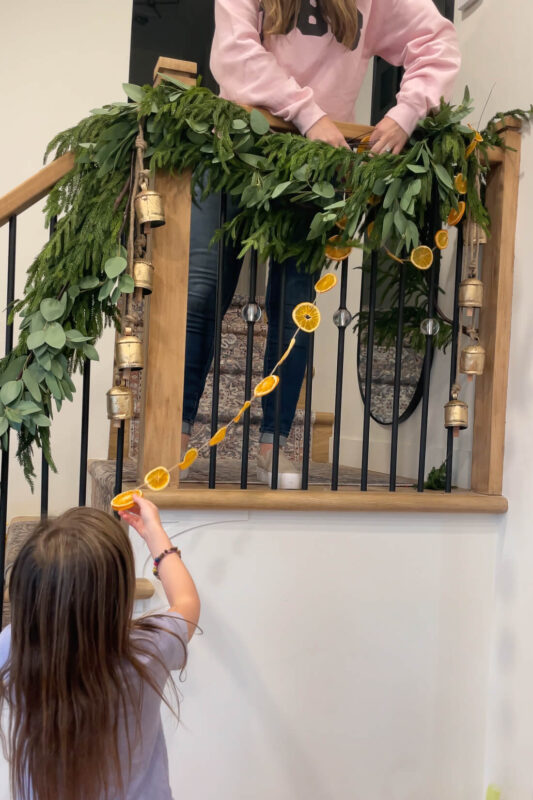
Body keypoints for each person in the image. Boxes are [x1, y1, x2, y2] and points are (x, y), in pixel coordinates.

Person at [183, 0, 460, 488]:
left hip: (316, 165)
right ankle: (174, 428)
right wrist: (309, 114)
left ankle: (274, 443)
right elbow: (233, 52)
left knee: (295, 305)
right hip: (231, 147)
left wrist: (406, 112)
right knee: (202, 291)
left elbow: (437, 41)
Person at [0, 498, 200, 800]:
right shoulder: (149, 649)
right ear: (118, 595)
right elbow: (187, 603)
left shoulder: (14, 647)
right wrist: (154, 534)